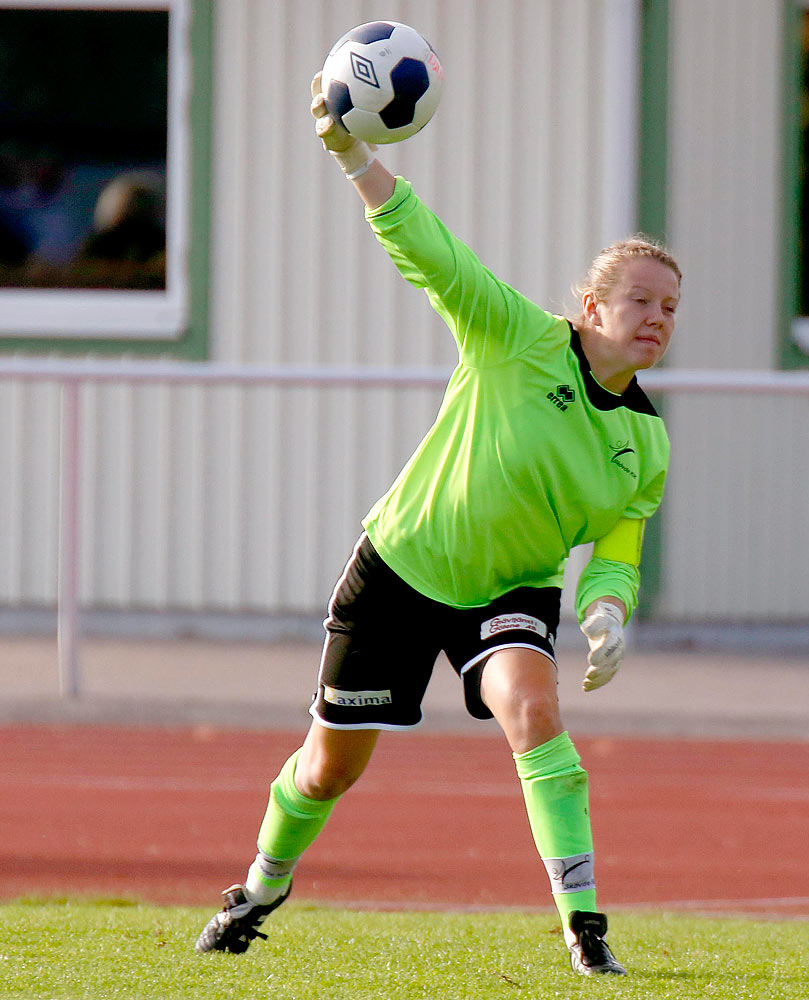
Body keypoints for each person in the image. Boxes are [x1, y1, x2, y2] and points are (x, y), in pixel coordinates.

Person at [195, 71, 681, 977]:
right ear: (591, 306)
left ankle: (585, 930)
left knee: (534, 713)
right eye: (641, 300)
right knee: (327, 773)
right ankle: (260, 886)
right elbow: (430, 250)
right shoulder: (516, 338)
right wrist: (356, 159)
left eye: (669, 308)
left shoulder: (645, 443)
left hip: (509, 588)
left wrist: (609, 609)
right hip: (401, 568)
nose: (656, 318)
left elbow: (617, 548)